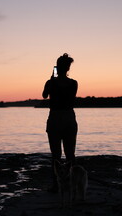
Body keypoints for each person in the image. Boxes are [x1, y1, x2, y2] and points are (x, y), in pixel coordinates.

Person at [42, 53, 78, 192]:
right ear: (68, 67)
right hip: (69, 117)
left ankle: (56, 185)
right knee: (70, 154)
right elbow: (69, 97)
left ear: (57, 67)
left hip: (56, 118)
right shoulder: (74, 83)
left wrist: (52, 80)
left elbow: (44, 95)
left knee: (56, 155)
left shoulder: (51, 82)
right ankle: (72, 184)